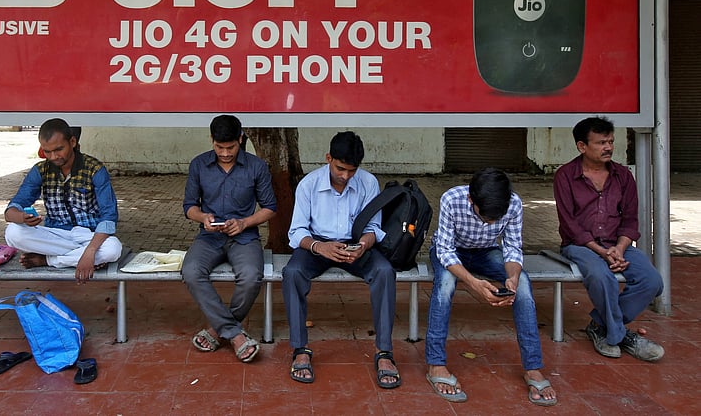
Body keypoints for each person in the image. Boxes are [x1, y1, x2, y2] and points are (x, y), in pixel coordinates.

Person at [425, 168, 557, 406]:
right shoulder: (452, 199)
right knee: (445, 284)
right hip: (450, 250)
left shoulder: (513, 203)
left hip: (487, 252)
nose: (491, 223)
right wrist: (475, 284)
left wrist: (513, 277)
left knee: (524, 284)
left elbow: (513, 247)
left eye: (496, 218)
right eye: (486, 217)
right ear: (470, 199)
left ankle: (533, 368)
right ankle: (436, 365)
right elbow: (444, 251)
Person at [282, 131, 400, 388]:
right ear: (328, 158)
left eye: (351, 170)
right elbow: (297, 231)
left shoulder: (368, 183)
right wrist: (319, 247)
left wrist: (362, 246)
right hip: (317, 244)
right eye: (340, 168)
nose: (345, 176)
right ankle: (300, 348)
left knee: (384, 271)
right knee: (292, 273)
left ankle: (384, 352)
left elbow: (373, 227)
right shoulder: (309, 184)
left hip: (355, 246)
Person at [553, 116, 664, 362]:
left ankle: (600, 326)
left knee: (652, 280)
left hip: (617, 244)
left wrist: (620, 248)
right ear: (582, 146)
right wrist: (601, 252)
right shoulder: (565, 176)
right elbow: (569, 224)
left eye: (611, 141)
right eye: (601, 142)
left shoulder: (623, 176)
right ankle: (619, 335)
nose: (608, 148)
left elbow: (631, 221)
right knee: (602, 277)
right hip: (580, 245)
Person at [182, 115, 277, 363]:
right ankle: (235, 334)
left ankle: (217, 330)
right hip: (209, 237)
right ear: (211, 140)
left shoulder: (257, 167)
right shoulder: (199, 165)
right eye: (219, 147)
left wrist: (244, 222)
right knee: (191, 271)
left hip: (244, 237)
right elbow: (189, 206)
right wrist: (203, 217)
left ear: (240, 139)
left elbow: (270, 208)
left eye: (231, 147)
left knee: (250, 276)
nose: (225, 153)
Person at [4, 118, 122, 283]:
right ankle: (81, 257)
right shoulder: (40, 170)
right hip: (56, 234)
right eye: (47, 151)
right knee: (13, 233)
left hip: (90, 235)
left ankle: (49, 260)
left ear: (72, 142)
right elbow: (12, 209)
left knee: (113, 249)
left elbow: (109, 216)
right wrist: (20, 217)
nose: (53, 156)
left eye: (59, 149)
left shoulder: (95, 169)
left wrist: (90, 251)